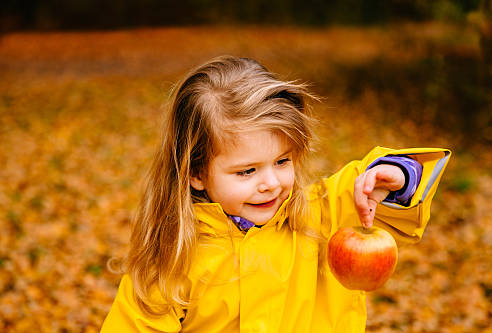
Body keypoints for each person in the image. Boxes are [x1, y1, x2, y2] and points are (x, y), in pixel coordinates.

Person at [100, 55, 451, 332]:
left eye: (282, 161)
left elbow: (378, 190)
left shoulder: (319, 216)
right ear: (196, 172)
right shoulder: (175, 253)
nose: (270, 182)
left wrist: (397, 177)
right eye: (247, 171)